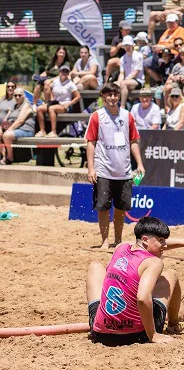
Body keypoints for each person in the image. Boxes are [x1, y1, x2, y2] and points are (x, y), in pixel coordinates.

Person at [86, 216, 184, 346]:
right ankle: (173, 324)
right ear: (145, 240)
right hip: (136, 335)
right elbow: (142, 298)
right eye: (161, 240)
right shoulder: (154, 262)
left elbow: (147, 242)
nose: (165, 245)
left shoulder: (120, 247)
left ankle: (105, 318)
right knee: (170, 275)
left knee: (95, 267)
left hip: (101, 334)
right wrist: (153, 335)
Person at [85, 83, 145, 249]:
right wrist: (91, 168)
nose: (112, 98)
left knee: (120, 208)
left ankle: (118, 240)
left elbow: (133, 141)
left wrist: (140, 163)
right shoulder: (97, 116)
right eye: (109, 95)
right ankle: (105, 241)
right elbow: (91, 143)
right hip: (103, 169)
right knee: (103, 207)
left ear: (119, 96)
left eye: (115, 94)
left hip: (124, 171)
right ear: (103, 97)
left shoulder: (127, 116)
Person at [34, 63, 80, 138]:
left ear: (68, 74)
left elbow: (78, 97)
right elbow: (49, 88)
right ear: (59, 72)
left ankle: (53, 132)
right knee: (39, 109)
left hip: (65, 105)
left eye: (66, 71)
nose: (64, 73)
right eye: (63, 71)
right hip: (55, 103)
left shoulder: (71, 84)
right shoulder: (55, 81)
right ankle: (42, 131)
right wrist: (51, 100)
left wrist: (68, 104)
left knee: (51, 109)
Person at [0, 87, 35, 165]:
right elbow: (8, 118)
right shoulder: (15, 105)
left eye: (19, 95)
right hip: (15, 129)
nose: (17, 97)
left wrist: (9, 129)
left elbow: (20, 120)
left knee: (7, 135)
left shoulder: (26, 104)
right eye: (15, 95)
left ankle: (10, 158)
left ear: (24, 95)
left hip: (26, 130)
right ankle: (3, 155)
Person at [117, 35, 144, 109]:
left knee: (123, 84)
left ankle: (122, 106)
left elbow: (136, 72)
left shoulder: (138, 56)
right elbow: (122, 73)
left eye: (129, 45)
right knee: (114, 85)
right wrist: (118, 82)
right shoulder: (122, 58)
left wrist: (124, 81)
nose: (127, 47)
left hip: (138, 80)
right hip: (127, 80)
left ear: (132, 45)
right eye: (126, 45)